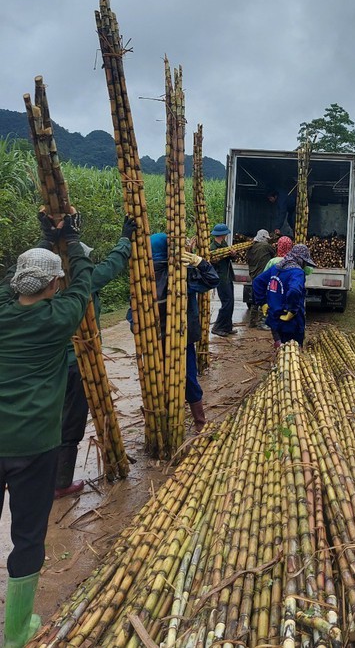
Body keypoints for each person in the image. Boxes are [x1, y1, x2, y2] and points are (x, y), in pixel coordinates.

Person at [0, 211, 92, 648]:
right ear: (54, 285)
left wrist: (44, 239)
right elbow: (84, 283)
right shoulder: (59, 320)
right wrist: (69, 242)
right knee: (28, 535)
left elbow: (10, 285)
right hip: (35, 446)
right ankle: (17, 631)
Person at [38, 215, 136, 498]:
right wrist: (125, 239)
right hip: (77, 364)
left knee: (51, 420)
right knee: (71, 423)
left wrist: (49, 238)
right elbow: (111, 266)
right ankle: (60, 483)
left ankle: (41, 475)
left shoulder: (43, 286)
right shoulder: (81, 283)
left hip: (50, 365)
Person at [150, 233, 219, 431]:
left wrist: (199, 263)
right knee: (161, 380)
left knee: (187, 379)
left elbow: (212, 280)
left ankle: (199, 422)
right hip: (158, 340)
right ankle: (165, 422)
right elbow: (132, 312)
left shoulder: (180, 275)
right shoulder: (144, 278)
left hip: (181, 337)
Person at [252, 243, 316, 348]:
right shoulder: (297, 272)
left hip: (274, 316)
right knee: (293, 353)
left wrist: (262, 302)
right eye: (304, 262)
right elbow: (294, 291)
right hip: (291, 322)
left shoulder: (276, 267)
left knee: (281, 350)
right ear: (300, 259)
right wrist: (292, 311)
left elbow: (257, 282)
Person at [209, 223, 236, 337]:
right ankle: (217, 327)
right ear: (223, 234)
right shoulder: (212, 248)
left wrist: (232, 255)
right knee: (227, 302)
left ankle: (227, 326)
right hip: (221, 277)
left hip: (228, 276)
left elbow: (229, 258)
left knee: (231, 302)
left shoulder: (224, 244)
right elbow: (211, 262)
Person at [246, 229, 274, 328]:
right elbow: (274, 254)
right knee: (264, 299)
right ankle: (262, 323)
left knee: (254, 300)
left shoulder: (250, 247)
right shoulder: (266, 246)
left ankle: (252, 322)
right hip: (263, 278)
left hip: (254, 276)